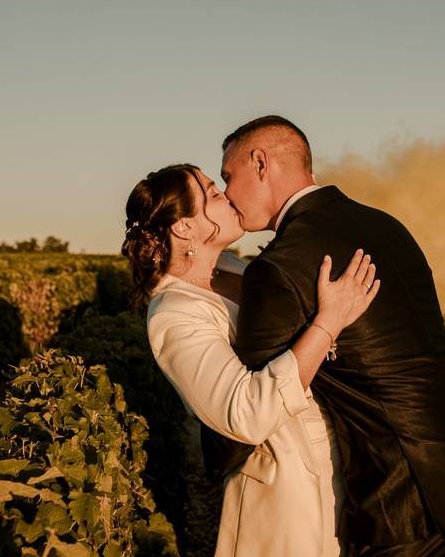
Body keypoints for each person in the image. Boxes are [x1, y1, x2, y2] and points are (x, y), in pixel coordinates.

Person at [205, 116, 445, 556]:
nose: (226, 193)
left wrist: (210, 459)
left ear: (261, 163)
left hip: (403, 497)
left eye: (228, 176)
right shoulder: (385, 225)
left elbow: (246, 416)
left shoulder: (281, 264)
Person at [122, 163, 380, 556]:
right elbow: (244, 414)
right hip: (285, 490)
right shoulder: (172, 314)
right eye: (211, 193)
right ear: (183, 228)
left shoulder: (233, 269)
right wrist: (328, 323)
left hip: (334, 462)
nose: (225, 196)